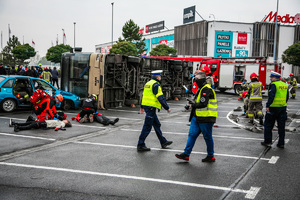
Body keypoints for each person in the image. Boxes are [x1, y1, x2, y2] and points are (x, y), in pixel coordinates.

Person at [175, 71, 217, 162]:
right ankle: (186, 154)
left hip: (206, 117)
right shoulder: (201, 89)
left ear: (202, 79)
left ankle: (211, 156)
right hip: (197, 116)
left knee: (207, 137)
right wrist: (192, 104)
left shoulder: (206, 89)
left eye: (197, 79)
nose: (195, 81)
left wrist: (192, 104)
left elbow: (203, 103)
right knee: (192, 135)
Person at [137, 70, 172, 151]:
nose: (161, 77)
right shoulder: (156, 85)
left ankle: (163, 142)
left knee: (156, 124)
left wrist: (142, 107)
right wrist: (167, 107)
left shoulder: (148, 83)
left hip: (147, 107)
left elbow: (144, 96)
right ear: (158, 77)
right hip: (151, 108)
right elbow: (160, 97)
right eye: (160, 76)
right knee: (147, 127)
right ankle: (140, 145)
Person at [261, 71, 289, 148]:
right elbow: (287, 97)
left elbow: (271, 96)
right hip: (282, 108)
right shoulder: (284, 84)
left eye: (271, 77)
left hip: (273, 108)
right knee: (281, 126)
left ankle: (268, 141)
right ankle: (281, 143)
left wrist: (268, 105)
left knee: (268, 125)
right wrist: (283, 104)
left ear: (275, 78)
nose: (270, 78)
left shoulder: (274, 85)